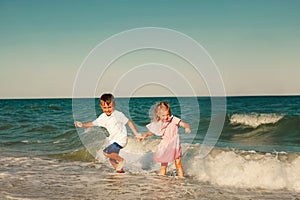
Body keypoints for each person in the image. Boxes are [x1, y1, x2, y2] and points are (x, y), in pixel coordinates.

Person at [75, 93, 141, 173]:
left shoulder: (118, 114)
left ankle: (121, 160)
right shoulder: (103, 117)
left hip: (120, 139)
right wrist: (82, 125)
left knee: (106, 152)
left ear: (114, 104)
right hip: (113, 140)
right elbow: (92, 124)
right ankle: (120, 172)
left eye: (109, 107)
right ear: (101, 106)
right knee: (112, 160)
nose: (107, 110)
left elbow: (129, 122)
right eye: (105, 107)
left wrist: (137, 134)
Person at [140, 101, 191, 177]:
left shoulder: (173, 119)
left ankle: (181, 181)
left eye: (168, 114)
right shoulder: (159, 123)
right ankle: (162, 181)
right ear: (158, 115)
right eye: (163, 115)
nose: (166, 117)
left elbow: (184, 124)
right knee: (164, 165)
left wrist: (187, 127)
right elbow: (151, 132)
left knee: (178, 164)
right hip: (165, 145)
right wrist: (144, 136)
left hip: (175, 144)